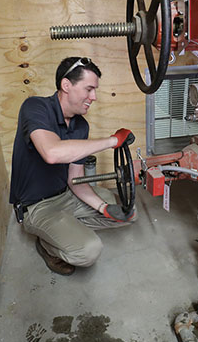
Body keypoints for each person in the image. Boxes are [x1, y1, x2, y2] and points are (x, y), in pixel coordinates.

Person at [9, 57, 136, 275]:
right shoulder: (35, 107)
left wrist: (102, 208)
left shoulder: (80, 125)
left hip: (66, 195)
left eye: (95, 90)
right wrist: (112, 141)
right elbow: (52, 153)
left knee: (128, 214)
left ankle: (66, 229)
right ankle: (48, 245)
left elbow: (75, 180)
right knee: (89, 251)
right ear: (66, 85)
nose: (94, 97)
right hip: (37, 207)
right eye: (89, 89)